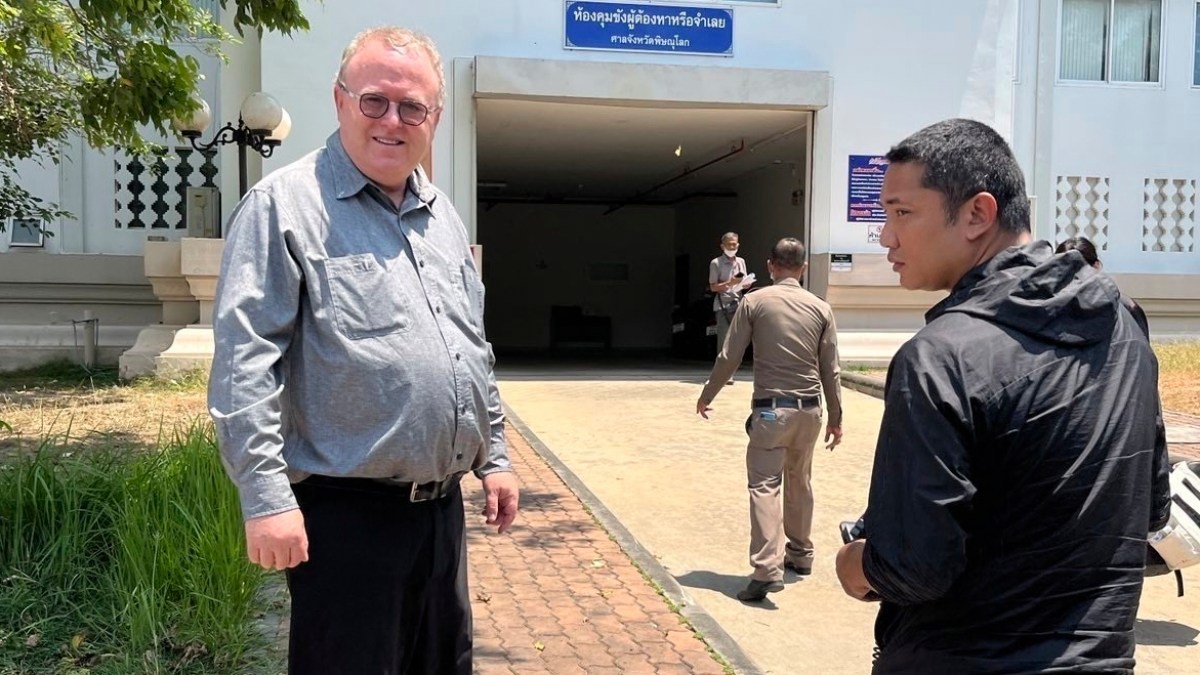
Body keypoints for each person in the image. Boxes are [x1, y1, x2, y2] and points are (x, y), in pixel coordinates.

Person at [207, 26, 519, 675]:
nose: (392, 120)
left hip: (441, 517)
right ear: (340, 99)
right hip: (346, 520)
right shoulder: (283, 207)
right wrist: (265, 498)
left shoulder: (442, 216)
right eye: (375, 100)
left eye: (412, 107)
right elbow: (245, 363)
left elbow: (469, 347)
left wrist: (495, 457)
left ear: (435, 117)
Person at [834, 118, 1170, 673]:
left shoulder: (940, 357)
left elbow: (915, 568)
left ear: (977, 214)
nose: (886, 237)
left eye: (901, 213)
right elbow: (1151, 509)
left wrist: (855, 564)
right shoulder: (1125, 326)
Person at [696, 237, 843, 602]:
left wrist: (707, 395)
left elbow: (729, 356)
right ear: (803, 269)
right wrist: (836, 417)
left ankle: (766, 569)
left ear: (770, 266)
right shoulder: (821, 308)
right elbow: (831, 369)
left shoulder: (755, 302)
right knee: (800, 481)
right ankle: (801, 554)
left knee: (764, 486)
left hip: (771, 411)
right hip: (810, 411)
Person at [1055, 235, 1149, 336]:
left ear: (1096, 266)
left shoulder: (1127, 308)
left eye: (1078, 271)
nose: (1073, 280)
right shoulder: (1049, 311)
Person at [708, 232, 751, 382]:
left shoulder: (741, 262)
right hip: (723, 306)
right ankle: (722, 374)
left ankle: (730, 372)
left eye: (735, 244)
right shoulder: (716, 263)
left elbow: (743, 282)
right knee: (723, 341)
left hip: (737, 304)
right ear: (722, 246)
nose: (733, 247)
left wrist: (745, 283)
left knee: (736, 341)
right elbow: (713, 287)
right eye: (729, 244)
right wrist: (730, 283)